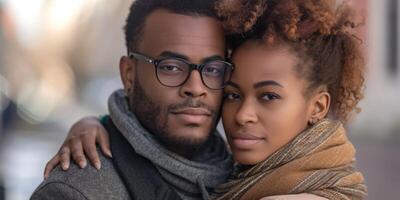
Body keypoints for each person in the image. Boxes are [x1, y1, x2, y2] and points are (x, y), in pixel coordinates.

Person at [41, 0, 368, 199]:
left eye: (212, 69)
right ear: (129, 75)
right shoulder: (79, 190)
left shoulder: (245, 176)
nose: (196, 87)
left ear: (318, 106)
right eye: (170, 67)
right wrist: (96, 123)